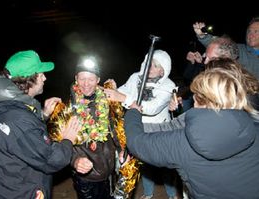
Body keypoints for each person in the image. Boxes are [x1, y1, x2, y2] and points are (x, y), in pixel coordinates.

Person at [124, 59, 259, 199]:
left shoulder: (183, 143)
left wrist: (133, 112)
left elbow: (137, 142)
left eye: (195, 96)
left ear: (198, 101)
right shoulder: (254, 127)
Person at [0, 50, 80, 199]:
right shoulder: (17, 119)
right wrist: (68, 139)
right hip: (16, 194)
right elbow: (52, 159)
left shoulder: (5, 105)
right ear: (29, 79)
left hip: (1, 187)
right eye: (40, 74)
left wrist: (43, 114)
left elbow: (22, 137)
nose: (45, 78)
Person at [104, 50, 178, 199]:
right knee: (143, 163)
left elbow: (151, 108)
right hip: (138, 128)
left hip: (159, 130)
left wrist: (124, 98)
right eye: (149, 63)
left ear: (163, 69)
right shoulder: (135, 77)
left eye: (155, 65)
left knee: (164, 165)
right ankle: (148, 193)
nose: (150, 68)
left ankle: (171, 194)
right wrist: (111, 89)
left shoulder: (169, 85)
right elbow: (121, 92)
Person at [67, 56, 123, 199]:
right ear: (76, 79)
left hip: (110, 172)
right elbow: (62, 142)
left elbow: (116, 130)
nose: (86, 84)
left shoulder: (107, 101)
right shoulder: (68, 109)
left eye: (91, 79)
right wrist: (75, 161)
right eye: (82, 79)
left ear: (98, 80)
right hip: (86, 176)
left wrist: (123, 149)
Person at [193, 17, 259, 79]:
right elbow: (219, 45)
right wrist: (203, 36)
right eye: (249, 31)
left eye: (256, 31)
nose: (250, 35)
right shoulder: (239, 50)